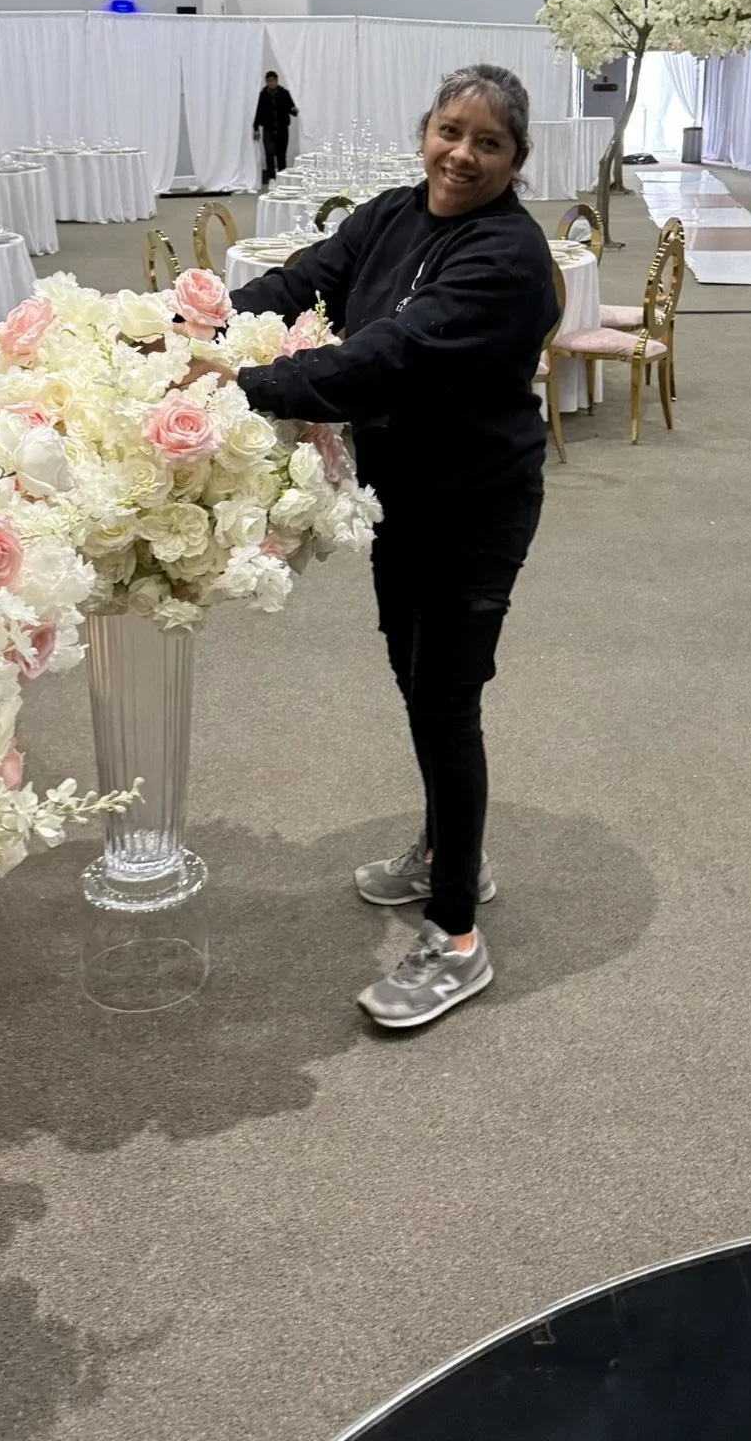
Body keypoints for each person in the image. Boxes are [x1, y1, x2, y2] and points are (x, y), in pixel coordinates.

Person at [227, 65, 557, 1030]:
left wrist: (246, 386)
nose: (462, 155)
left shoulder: (508, 256)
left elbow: (394, 356)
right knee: (414, 680)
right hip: (397, 496)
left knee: (448, 700)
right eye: (450, 131)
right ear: (426, 132)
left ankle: (456, 931)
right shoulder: (389, 213)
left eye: (487, 144)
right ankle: (445, 848)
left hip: (477, 505)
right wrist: (194, 323)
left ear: (515, 159)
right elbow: (306, 280)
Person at [252, 70, 297, 187]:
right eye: (269, 81)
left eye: (273, 81)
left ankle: (282, 179)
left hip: (282, 128)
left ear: (277, 81)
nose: (272, 83)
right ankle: (271, 178)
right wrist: (256, 128)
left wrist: (294, 110)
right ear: (266, 82)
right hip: (268, 128)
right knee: (269, 154)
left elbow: (291, 108)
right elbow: (258, 112)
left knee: (281, 155)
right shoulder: (263, 95)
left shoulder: (284, 93)